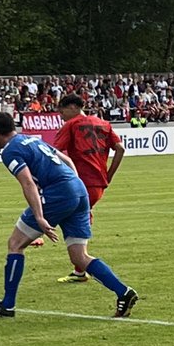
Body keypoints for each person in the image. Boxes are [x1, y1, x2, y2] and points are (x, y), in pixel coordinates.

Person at [0, 112, 138, 319]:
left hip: (59, 194)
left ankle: (7, 305)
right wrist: (74, 186)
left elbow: (27, 183)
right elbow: (68, 160)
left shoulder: (10, 150)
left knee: (15, 244)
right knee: (79, 256)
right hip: (79, 190)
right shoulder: (31, 139)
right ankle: (123, 292)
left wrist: (39, 216)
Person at [52, 93, 126, 283]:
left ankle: (80, 264)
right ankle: (79, 269)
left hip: (80, 183)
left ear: (74, 107)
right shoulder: (103, 123)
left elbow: (54, 152)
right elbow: (120, 148)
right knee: (80, 215)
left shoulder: (71, 125)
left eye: (62, 111)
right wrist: (108, 175)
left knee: (64, 214)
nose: (61, 116)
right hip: (98, 184)